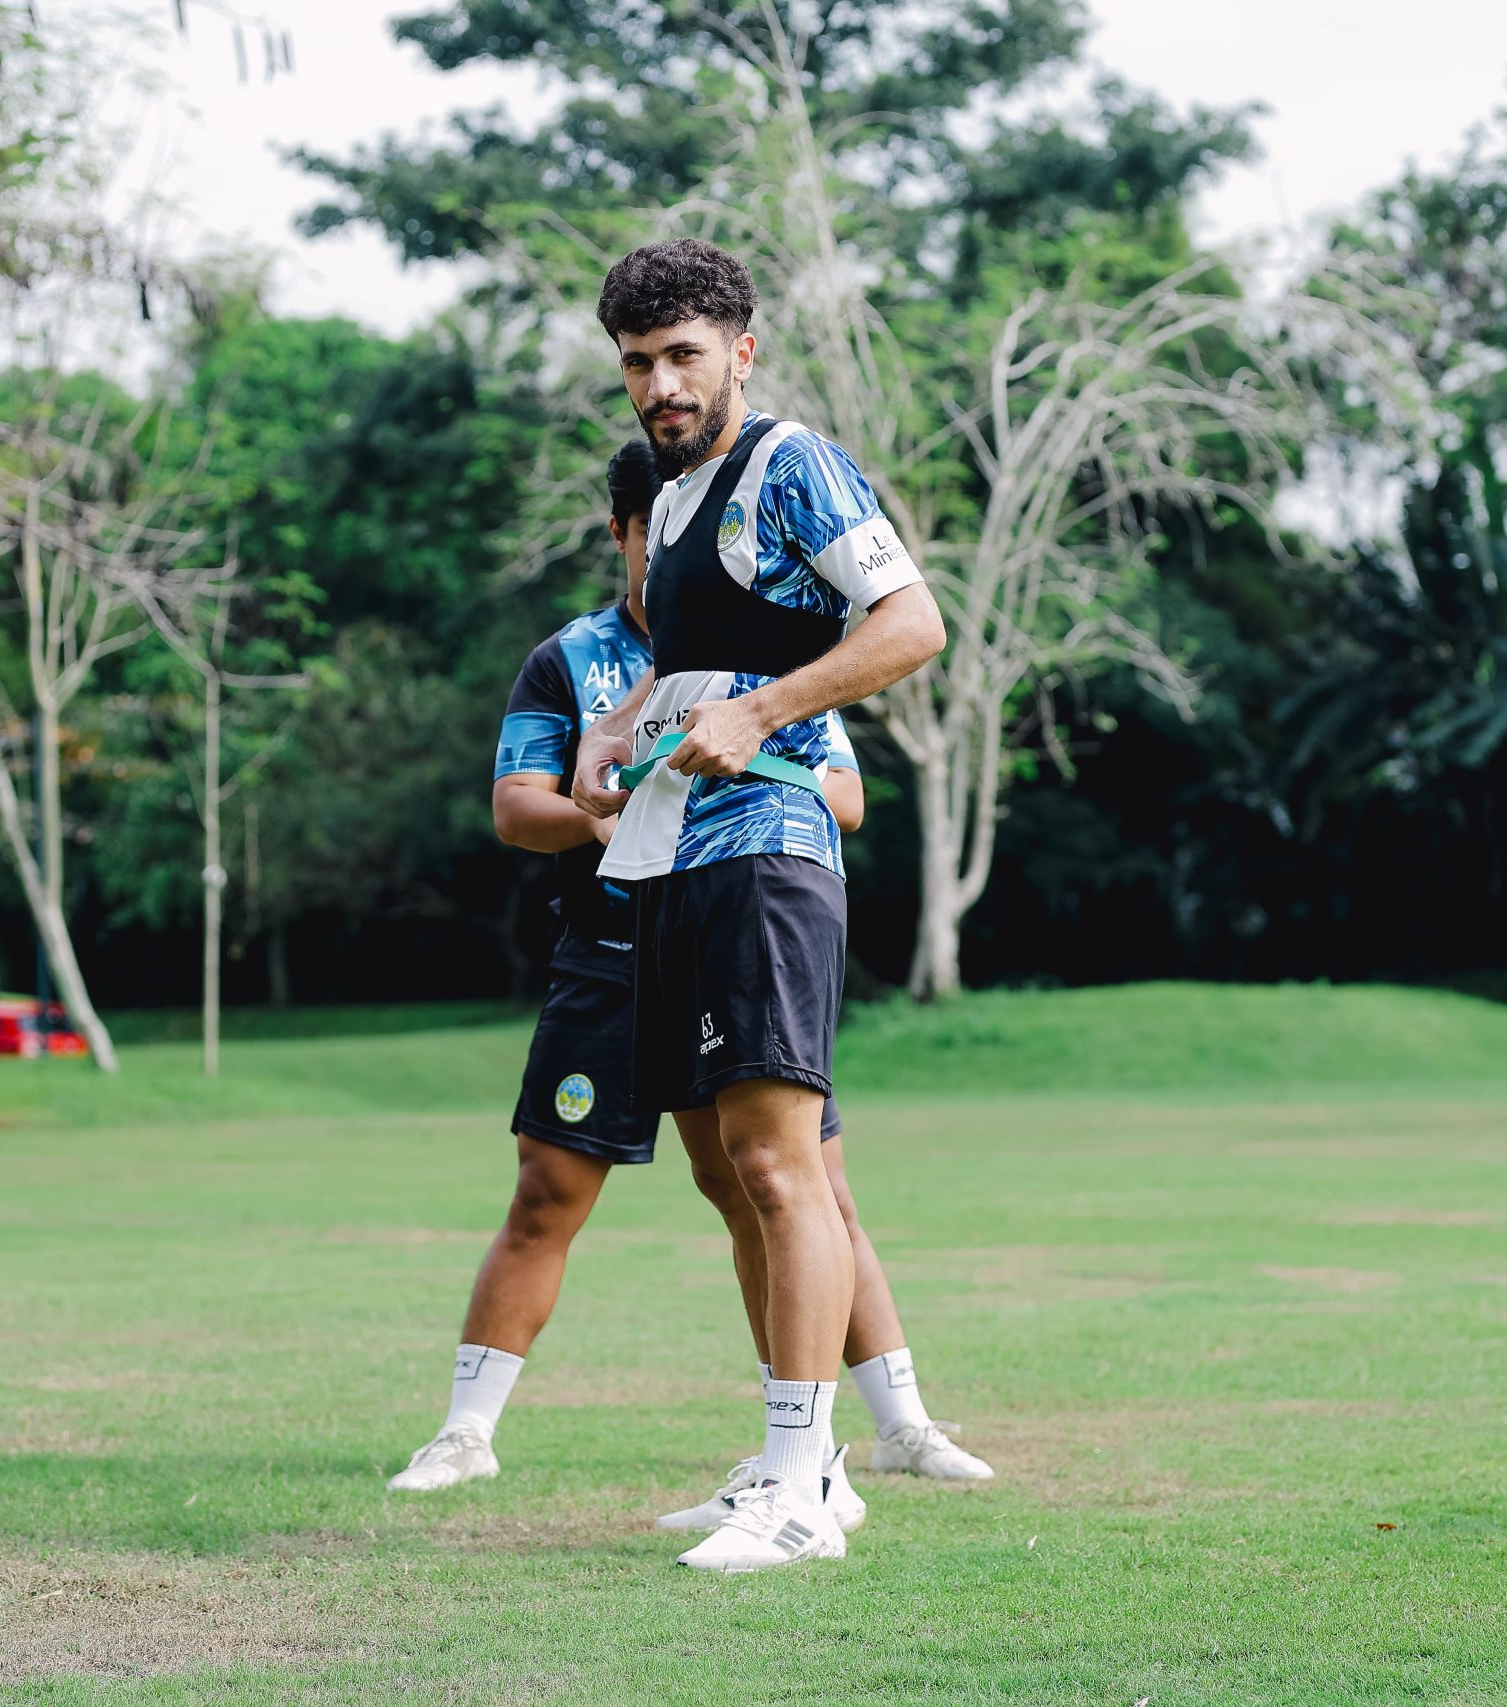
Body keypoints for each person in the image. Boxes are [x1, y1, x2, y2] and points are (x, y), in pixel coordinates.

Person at [389, 439, 991, 1518]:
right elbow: (516, 804)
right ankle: (465, 1433)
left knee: (793, 1186)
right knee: (565, 1191)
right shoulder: (571, 660)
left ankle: (880, 1434)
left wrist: (736, 746)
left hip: (743, 912)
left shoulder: (771, 639)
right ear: (629, 533)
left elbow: (845, 790)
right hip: (614, 949)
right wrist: (608, 798)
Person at [572, 238, 950, 1571]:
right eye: (637, 362)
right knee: (726, 1171)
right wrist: (620, 716)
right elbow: (697, 664)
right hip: (674, 854)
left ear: (742, 347)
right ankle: (815, 1462)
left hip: (773, 850)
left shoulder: (790, 463)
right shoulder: (669, 504)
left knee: (784, 1164)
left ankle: (799, 1487)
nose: (660, 384)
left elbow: (910, 623)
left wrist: (769, 705)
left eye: (683, 355)